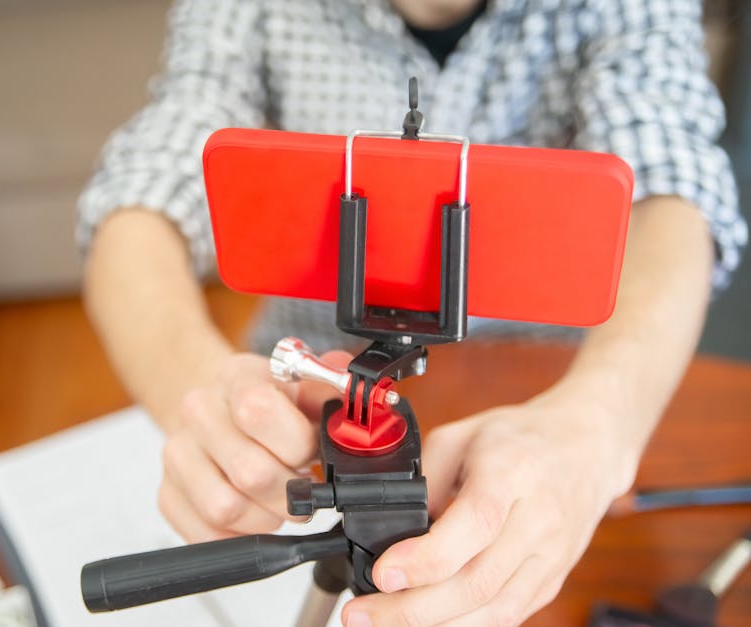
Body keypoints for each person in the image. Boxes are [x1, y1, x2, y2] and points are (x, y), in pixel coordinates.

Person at [77, 0, 746, 625]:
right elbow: (146, 180)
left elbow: (675, 182)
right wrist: (200, 390)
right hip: (303, 409)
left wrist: (598, 426)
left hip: (543, 407)